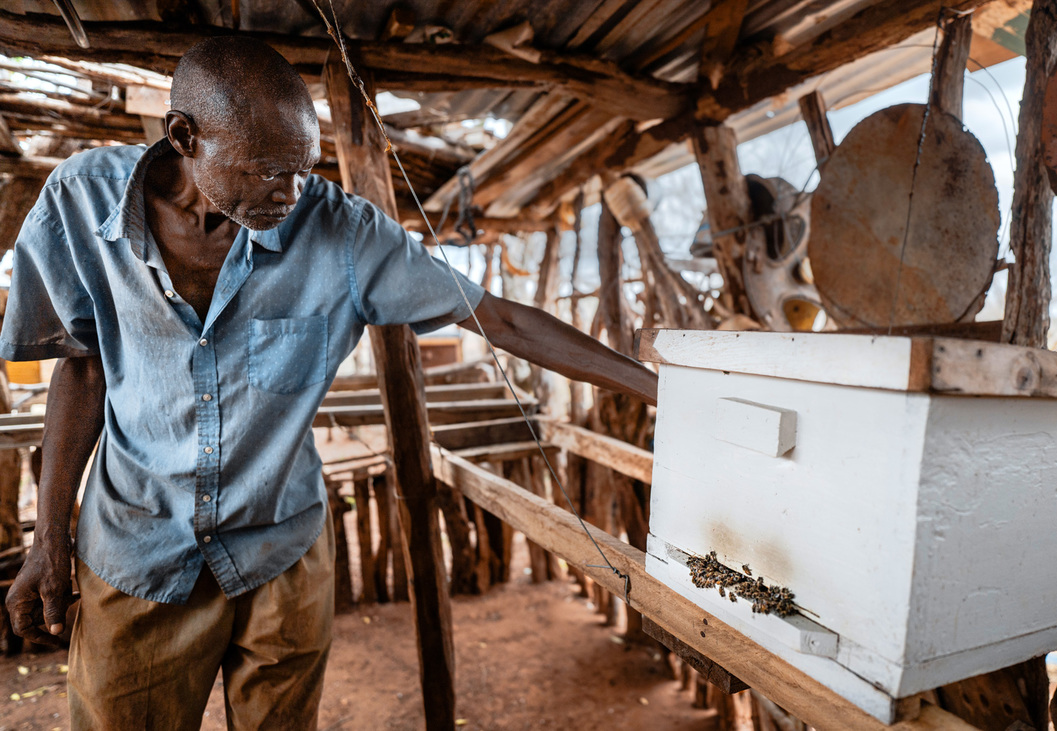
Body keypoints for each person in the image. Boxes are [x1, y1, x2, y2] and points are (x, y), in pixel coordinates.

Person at [0, 36, 657, 730]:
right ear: (184, 136)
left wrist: (654, 389)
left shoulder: (339, 231)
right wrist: (50, 538)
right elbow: (82, 363)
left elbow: (502, 320)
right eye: (266, 172)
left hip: (280, 553)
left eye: (302, 169)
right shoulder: (81, 202)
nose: (290, 193)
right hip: (137, 551)